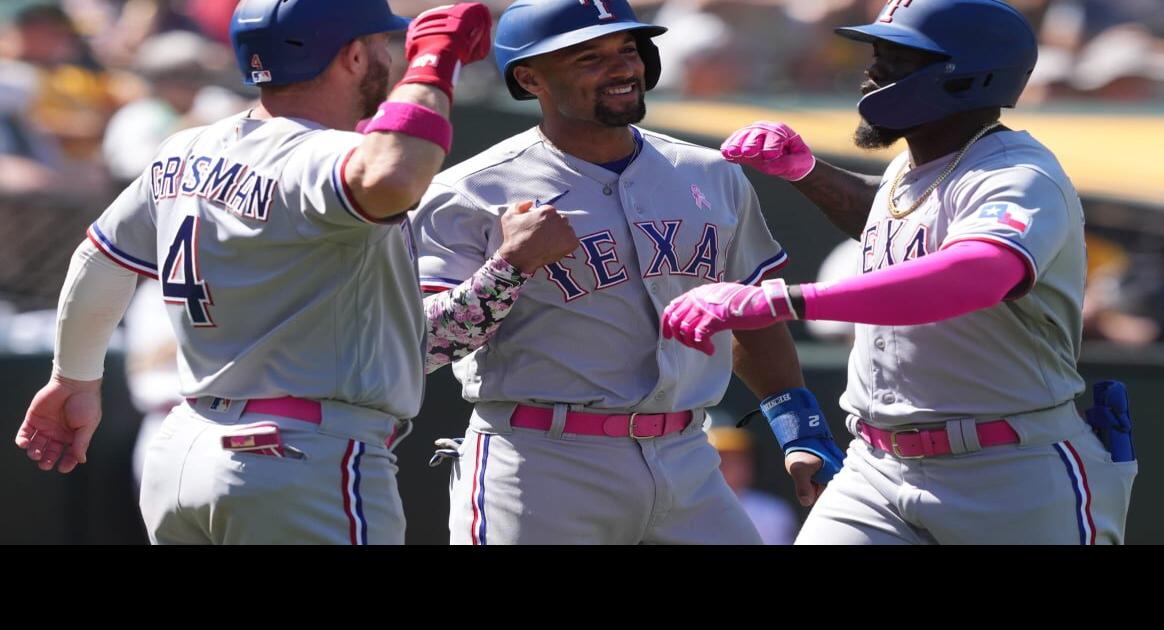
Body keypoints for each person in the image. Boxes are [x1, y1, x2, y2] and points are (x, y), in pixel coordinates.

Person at [14, 0, 494, 544]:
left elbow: (99, 260)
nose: (388, 55)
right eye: (382, 43)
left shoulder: (186, 147)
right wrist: (433, 61)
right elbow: (393, 174)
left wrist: (73, 378)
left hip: (183, 448)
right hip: (299, 455)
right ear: (354, 55)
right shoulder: (321, 154)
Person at [661, 0, 1136, 544]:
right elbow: (903, 227)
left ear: (966, 77)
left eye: (897, 57)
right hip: (877, 467)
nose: (872, 70)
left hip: (1009, 467)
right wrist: (809, 174)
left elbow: (976, 273)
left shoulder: (1018, 173)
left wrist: (785, 300)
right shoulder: (918, 163)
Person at [413, 0, 843, 545]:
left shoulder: (709, 173)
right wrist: (510, 267)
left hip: (689, 454)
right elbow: (421, 345)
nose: (621, 67)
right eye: (588, 57)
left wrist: (798, 428)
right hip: (542, 460)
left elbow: (751, 314)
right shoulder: (471, 190)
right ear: (529, 77)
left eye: (626, 49)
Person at [707, 426, 799, 545]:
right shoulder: (685, 509)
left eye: (738, 460)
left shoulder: (773, 512)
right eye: (722, 459)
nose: (729, 467)